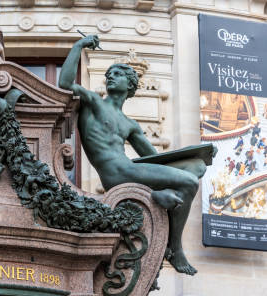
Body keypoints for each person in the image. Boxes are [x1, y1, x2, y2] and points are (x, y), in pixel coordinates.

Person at [58, 34, 214, 276]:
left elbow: (155, 160)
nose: (110, 76)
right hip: (117, 173)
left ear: (131, 85)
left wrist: (196, 156)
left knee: (194, 169)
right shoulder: (94, 103)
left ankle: (158, 197)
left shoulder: (130, 124)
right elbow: (65, 83)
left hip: (129, 170)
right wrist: (79, 46)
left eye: (118, 74)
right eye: (109, 74)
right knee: (189, 181)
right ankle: (174, 246)